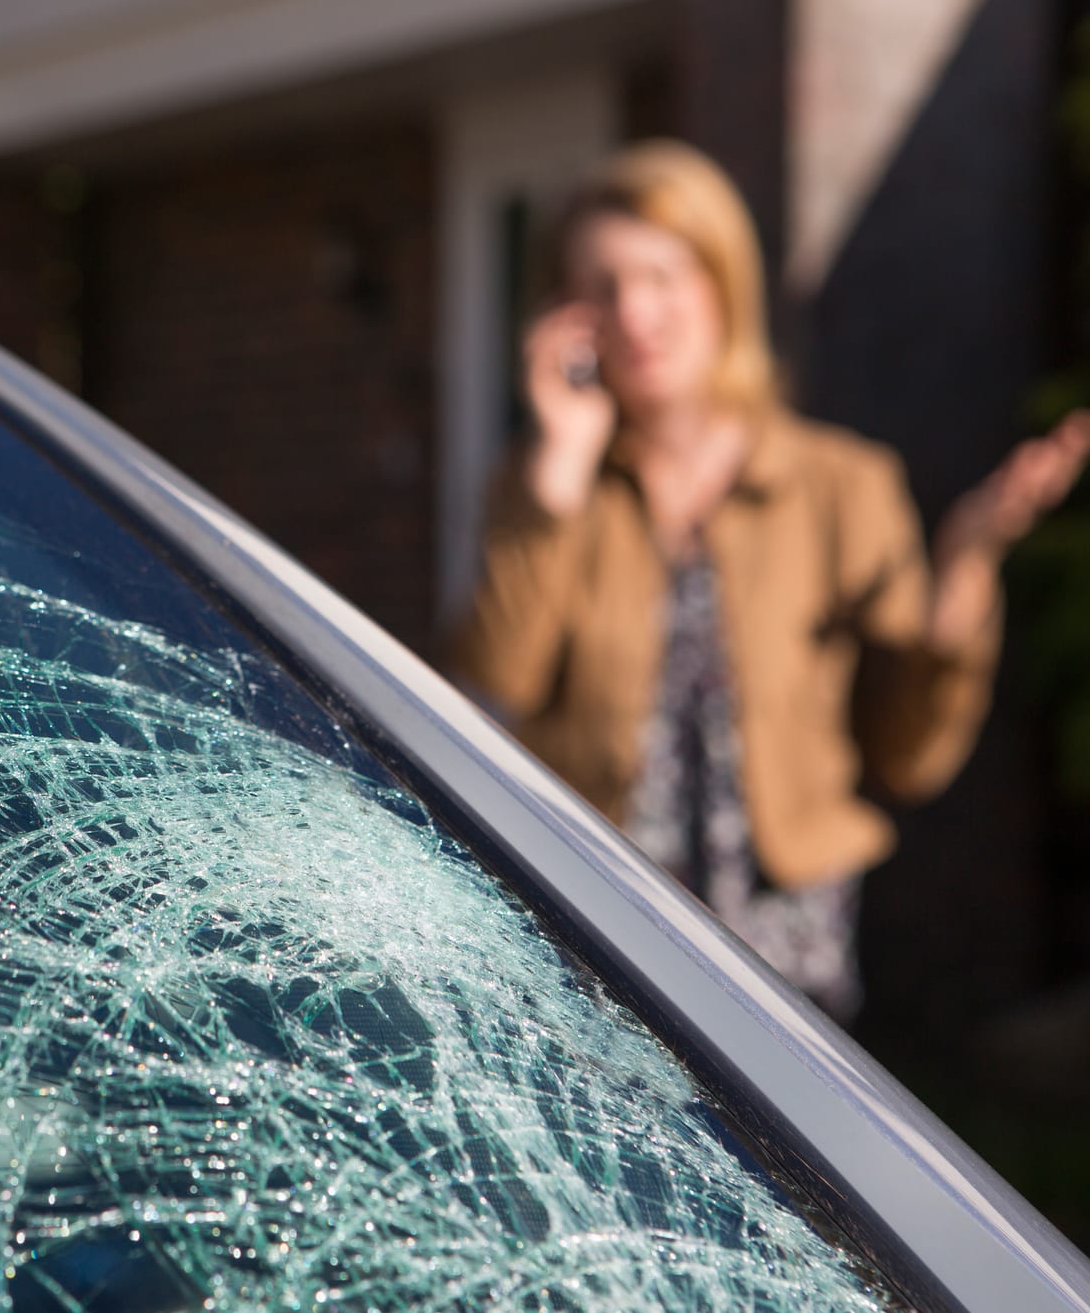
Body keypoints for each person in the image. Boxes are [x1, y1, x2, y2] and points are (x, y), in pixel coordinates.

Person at [447, 140, 1090, 1020]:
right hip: (589, 936)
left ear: (722, 285)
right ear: (566, 314)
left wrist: (967, 565)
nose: (635, 312)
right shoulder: (544, 488)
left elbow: (910, 752)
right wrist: (556, 475)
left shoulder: (844, 485)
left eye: (663, 275)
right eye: (601, 284)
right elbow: (490, 691)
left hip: (788, 957)